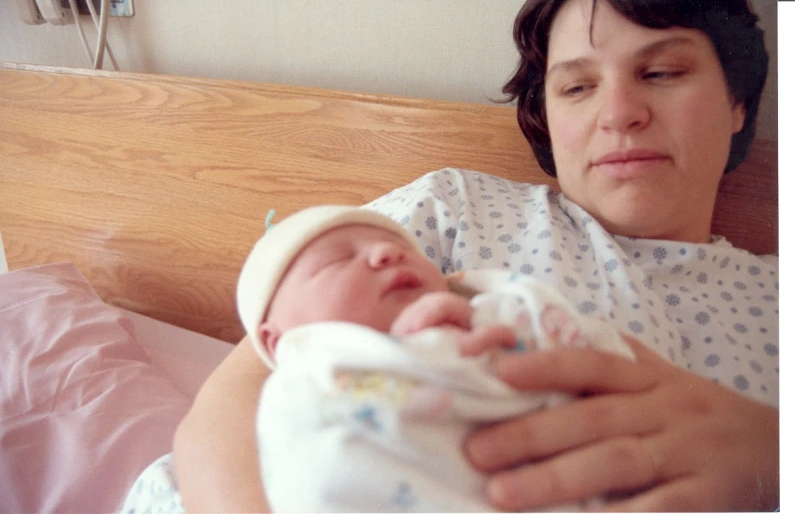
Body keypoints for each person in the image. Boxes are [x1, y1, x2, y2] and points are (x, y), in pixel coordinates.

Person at [173, 0, 779, 511]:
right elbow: (244, 393)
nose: (619, 113)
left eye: (662, 72)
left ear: (738, 103)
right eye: (577, 87)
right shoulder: (455, 208)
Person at [122, 206, 634, 512]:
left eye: (401, 248)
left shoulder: (481, 309)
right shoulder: (306, 375)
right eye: (341, 258)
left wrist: (473, 335)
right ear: (277, 341)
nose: (387, 254)